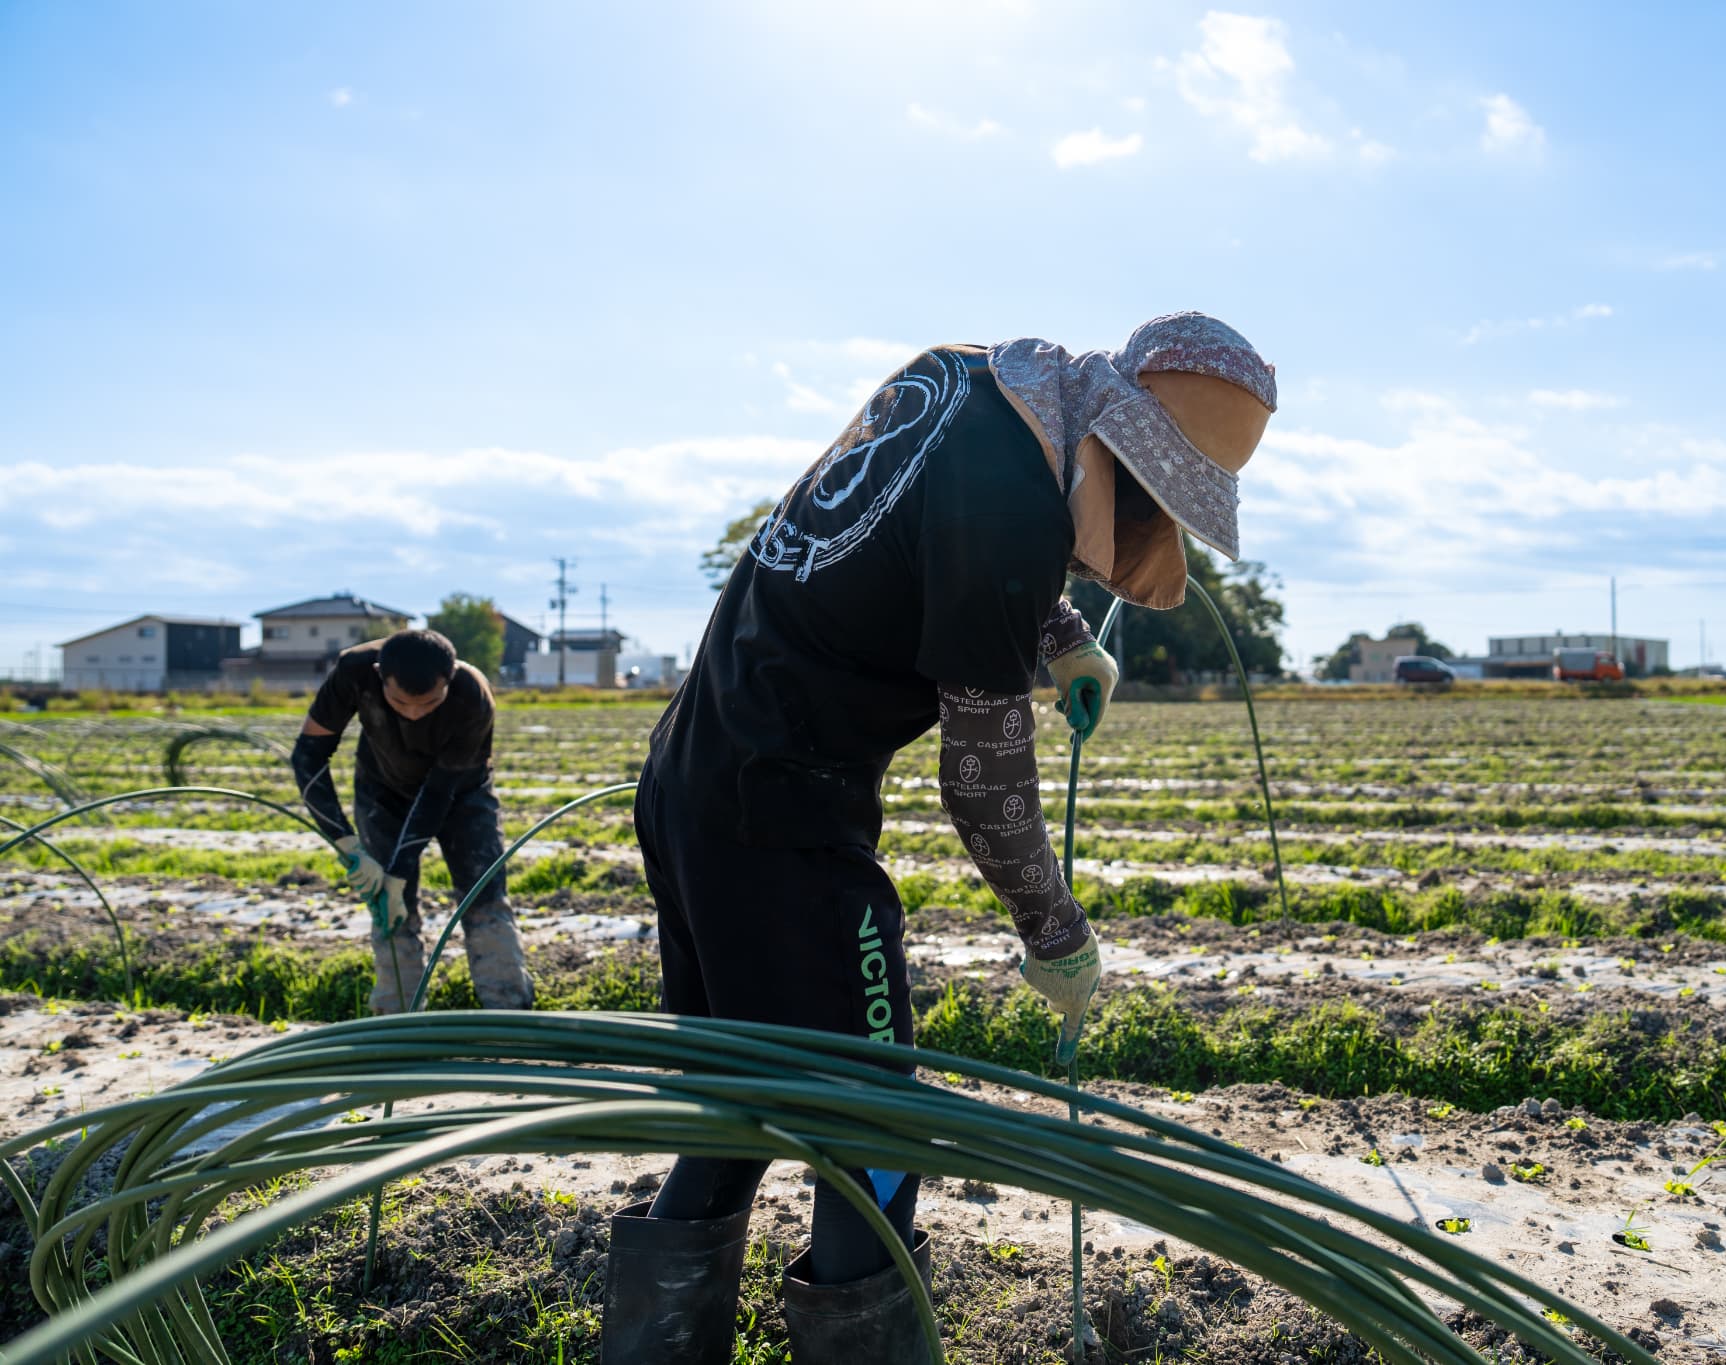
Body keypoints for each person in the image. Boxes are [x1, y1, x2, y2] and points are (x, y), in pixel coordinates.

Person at [606, 312, 1276, 1364]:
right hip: (787, 823)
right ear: (1122, 447)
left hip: (692, 782)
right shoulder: (1014, 503)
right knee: (874, 1122)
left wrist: (1058, 643)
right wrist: (1053, 930)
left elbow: (934, 534)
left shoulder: (977, 384)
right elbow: (982, 778)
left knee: (736, 1101)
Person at [289, 628, 535, 1014]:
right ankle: (396, 1014)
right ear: (378, 675)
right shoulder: (354, 672)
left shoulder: (473, 695)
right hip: (382, 791)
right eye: (400, 702)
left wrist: (399, 868)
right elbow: (307, 756)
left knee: (484, 897)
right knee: (389, 905)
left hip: (462, 793)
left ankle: (508, 1011)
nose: (415, 713)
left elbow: (439, 792)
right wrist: (346, 843)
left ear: (450, 677)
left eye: (429, 702)